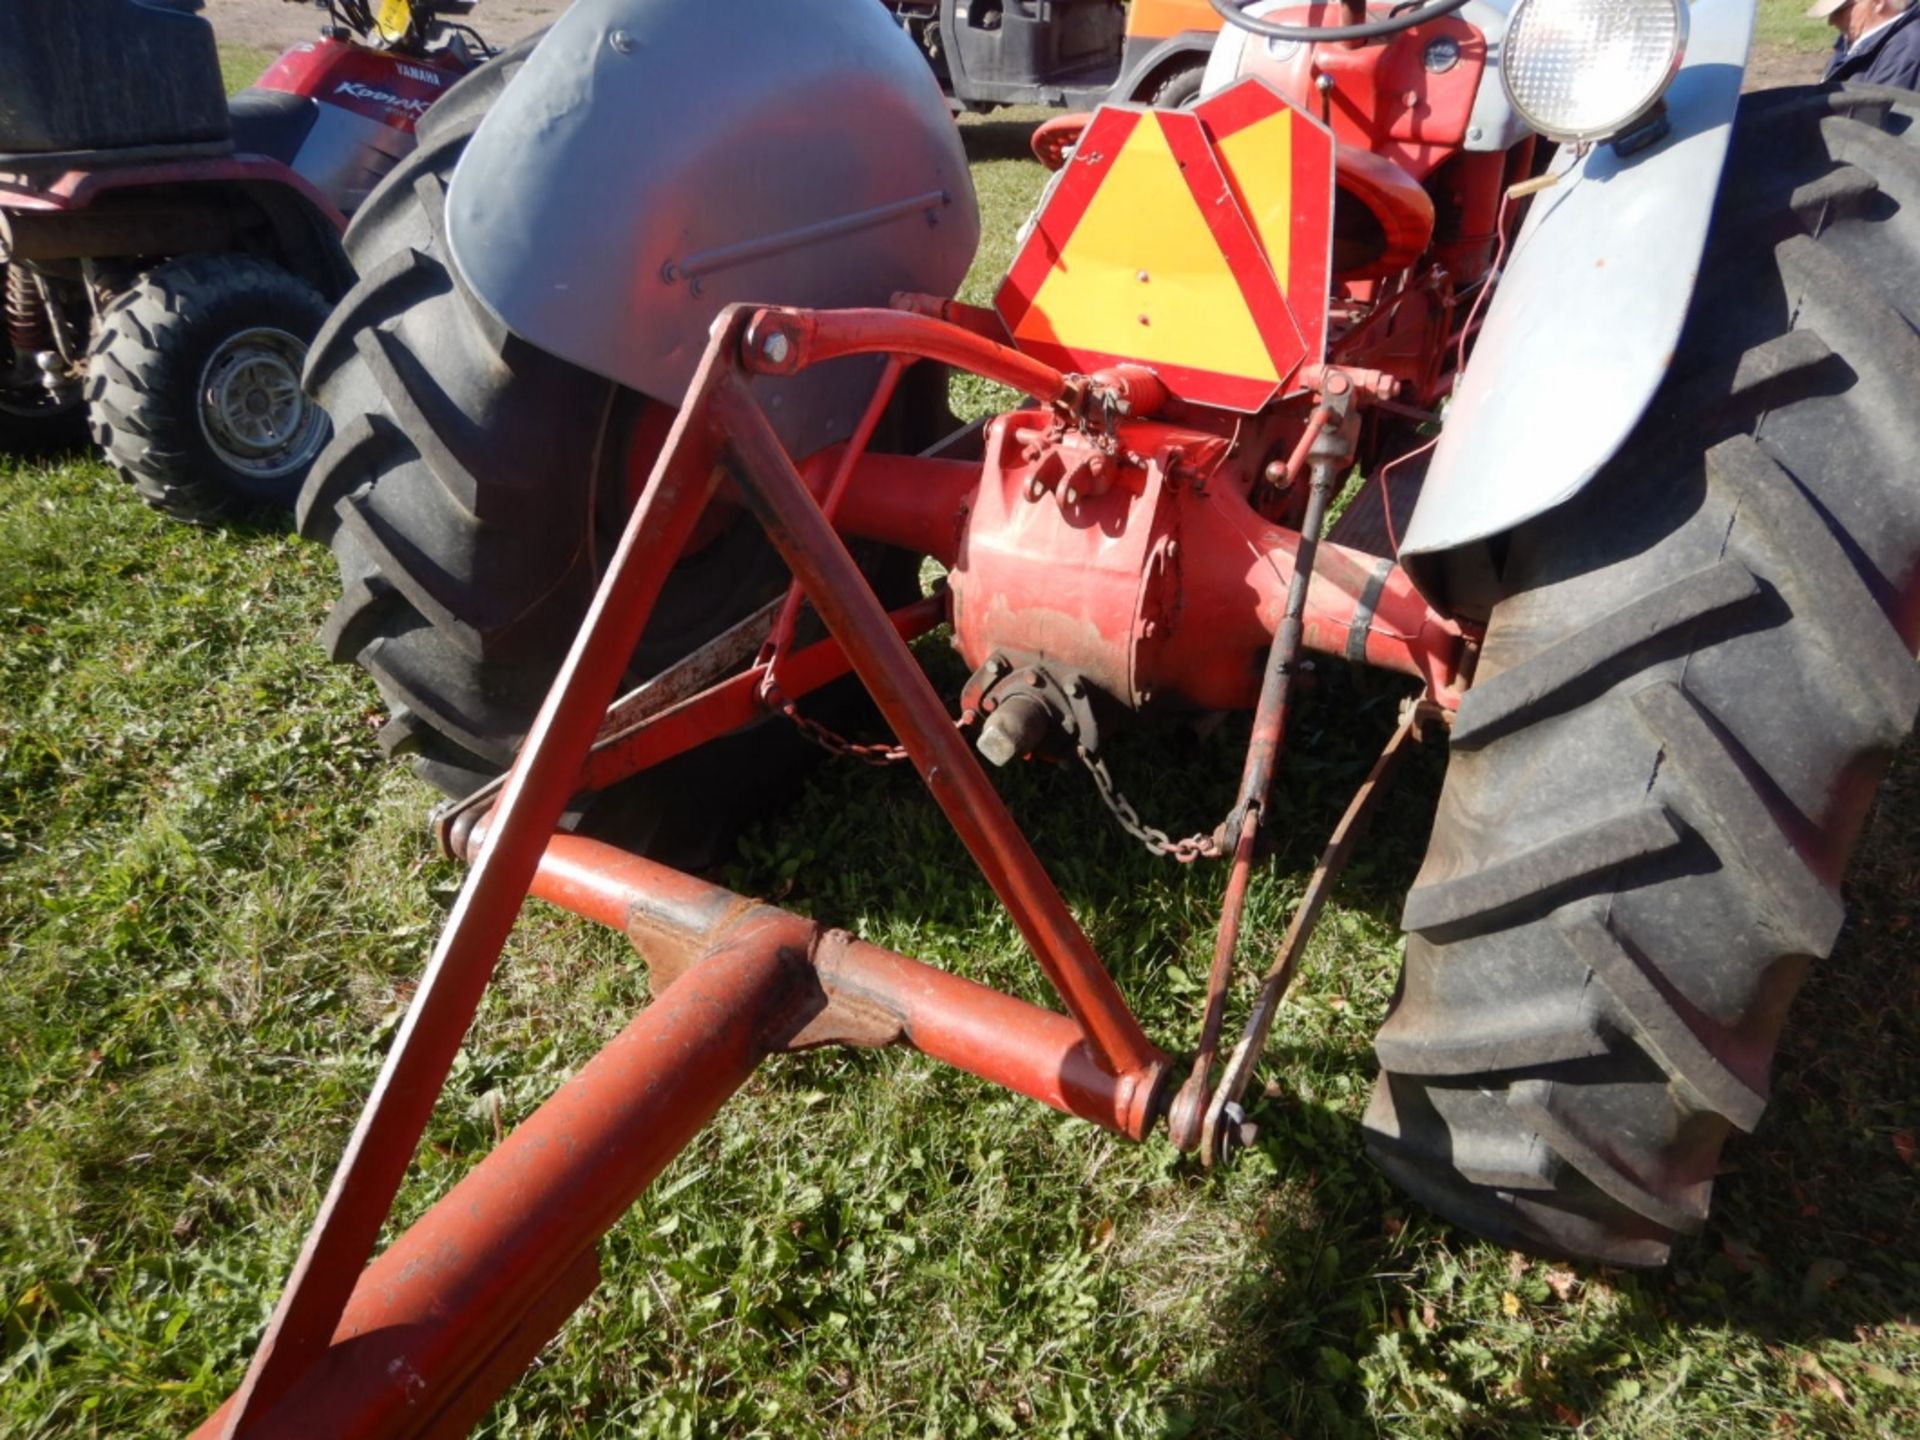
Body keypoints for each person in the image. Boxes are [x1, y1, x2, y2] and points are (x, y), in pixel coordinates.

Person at [1808, 0, 1920, 89]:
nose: (1831, 21)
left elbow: (1878, 112)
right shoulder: (1854, 41)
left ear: (1877, 3)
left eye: (1839, 11)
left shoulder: (1904, 51)